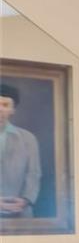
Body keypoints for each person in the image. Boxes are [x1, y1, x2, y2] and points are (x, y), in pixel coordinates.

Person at [0, 84, 41, 218]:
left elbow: (33, 174)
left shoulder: (28, 138)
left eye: (5, 105)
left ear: (13, 110)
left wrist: (25, 199)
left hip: (19, 214)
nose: (0, 109)